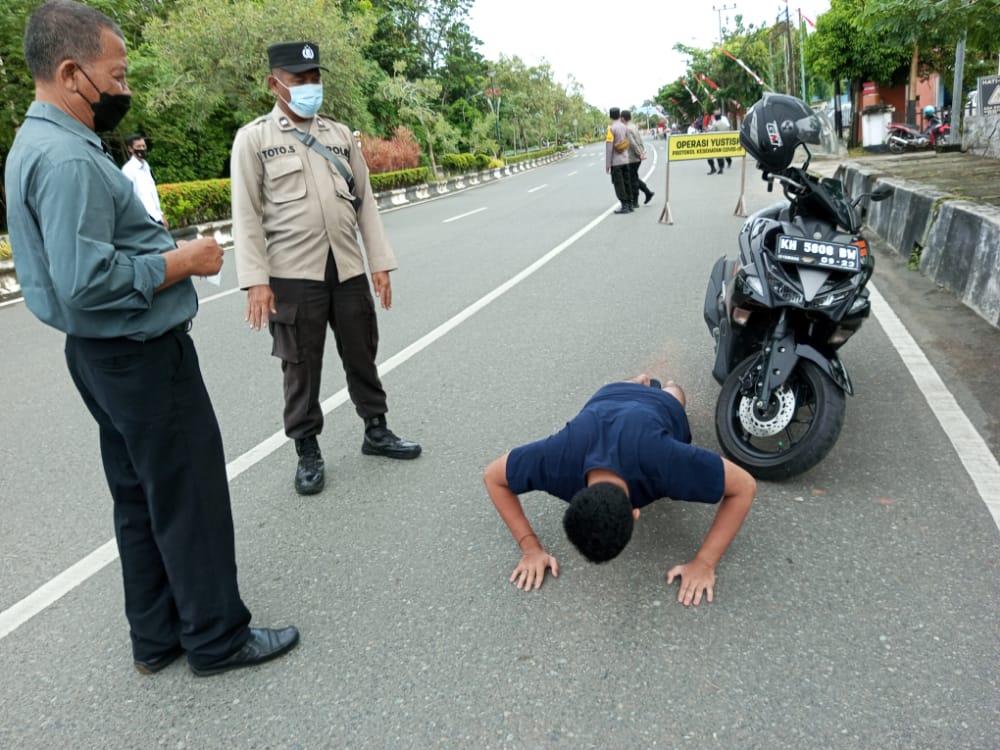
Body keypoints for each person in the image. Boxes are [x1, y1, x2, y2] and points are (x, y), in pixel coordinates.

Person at [5, 0, 299, 676]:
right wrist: (182, 261)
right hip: (138, 357)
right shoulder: (69, 159)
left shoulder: (39, 144)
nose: (126, 88)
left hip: (101, 356)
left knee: (140, 497)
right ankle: (218, 638)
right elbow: (85, 278)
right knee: (189, 493)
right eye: (120, 74)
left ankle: (157, 635)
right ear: (74, 73)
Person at [231, 41, 421, 497]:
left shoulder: (338, 135)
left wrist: (380, 263)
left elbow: (366, 204)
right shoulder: (254, 139)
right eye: (299, 80)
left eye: (315, 78)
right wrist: (256, 280)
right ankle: (307, 451)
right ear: (274, 84)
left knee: (362, 351)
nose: (309, 86)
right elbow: (246, 215)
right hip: (294, 274)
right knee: (300, 366)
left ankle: (376, 429)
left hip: (348, 266)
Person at [483, 375, 756, 606]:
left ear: (636, 513)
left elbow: (744, 486)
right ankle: (640, 381)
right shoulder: (557, 460)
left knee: (674, 397)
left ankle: (662, 384)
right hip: (606, 397)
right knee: (632, 397)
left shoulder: (665, 461)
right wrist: (529, 548)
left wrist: (705, 563)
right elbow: (493, 476)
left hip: (652, 408)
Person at [120, 133, 167, 227]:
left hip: (157, 218)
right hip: (144, 220)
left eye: (143, 146)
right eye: (138, 146)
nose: (141, 149)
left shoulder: (146, 167)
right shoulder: (128, 170)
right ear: (130, 149)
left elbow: (152, 194)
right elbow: (130, 197)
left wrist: (161, 215)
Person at [604, 107, 635, 214]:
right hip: (625, 159)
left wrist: (607, 164)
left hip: (616, 162)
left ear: (610, 116)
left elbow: (609, 147)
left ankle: (624, 205)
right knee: (627, 182)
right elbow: (628, 141)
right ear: (619, 115)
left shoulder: (611, 129)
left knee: (619, 183)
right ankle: (630, 204)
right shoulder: (624, 127)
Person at [620, 110, 654, 206]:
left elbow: (632, 143)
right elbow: (639, 140)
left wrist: (640, 153)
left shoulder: (627, 128)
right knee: (634, 177)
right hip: (637, 156)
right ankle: (647, 193)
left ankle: (636, 201)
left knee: (632, 179)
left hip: (632, 157)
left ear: (622, 118)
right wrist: (642, 151)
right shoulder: (634, 126)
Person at [708, 110, 733, 175]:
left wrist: (708, 130)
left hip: (716, 142)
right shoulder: (724, 123)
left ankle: (713, 168)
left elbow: (711, 133)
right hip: (723, 141)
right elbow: (728, 129)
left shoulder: (715, 124)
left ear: (715, 117)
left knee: (710, 156)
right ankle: (721, 168)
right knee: (721, 155)